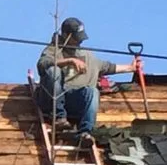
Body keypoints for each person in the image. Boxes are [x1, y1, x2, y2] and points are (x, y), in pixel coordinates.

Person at [36, 17, 136, 145]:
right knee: (53, 70)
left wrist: (131, 67)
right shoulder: (53, 50)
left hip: (73, 101)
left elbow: (106, 66)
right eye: (76, 38)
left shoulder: (85, 54)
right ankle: (59, 117)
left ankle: (85, 132)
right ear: (66, 35)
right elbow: (42, 65)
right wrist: (69, 61)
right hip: (51, 99)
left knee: (92, 91)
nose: (79, 42)